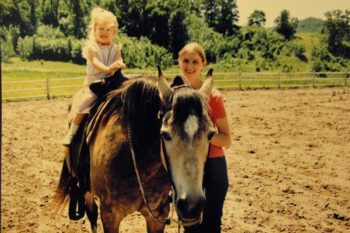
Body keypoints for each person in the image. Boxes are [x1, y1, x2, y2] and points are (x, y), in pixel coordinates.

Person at [179, 42, 232, 233]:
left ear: (203, 64)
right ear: (179, 62)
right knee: (190, 226)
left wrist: (202, 134)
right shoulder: (175, 96)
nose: (189, 66)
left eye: (195, 61)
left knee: (211, 225)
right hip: (186, 168)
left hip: (213, 165)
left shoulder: (214, 97)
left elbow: (226, 139)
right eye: (185, 61)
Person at [62, 7, 126, 146]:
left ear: (113, 32)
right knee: (86, 102)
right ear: (94, 30)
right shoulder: (92, 48)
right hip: (94, 81)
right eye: (101, 29)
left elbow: (118, 59)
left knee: (128, 91)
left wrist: (120, 64)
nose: (104, 32)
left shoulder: (115, 48)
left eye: (108, 29)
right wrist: (108, 68)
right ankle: (72, 132)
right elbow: (96, 63)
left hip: (111, 80)